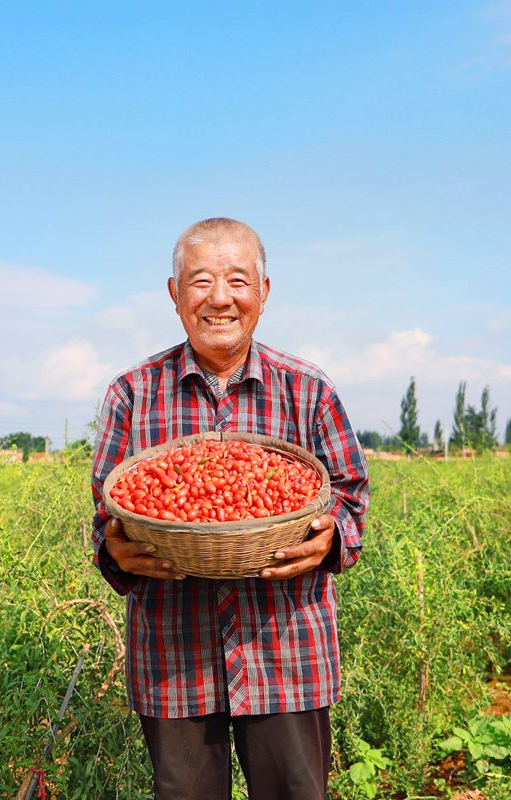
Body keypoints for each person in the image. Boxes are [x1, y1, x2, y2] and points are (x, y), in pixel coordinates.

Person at [92, 217, 369, 800]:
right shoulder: (132, 394)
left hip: (286, 654)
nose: (220, 298)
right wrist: (116, 551)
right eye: (200, 282)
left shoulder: (309, 389)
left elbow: (350, 496)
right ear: (175, 295)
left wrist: (331, 538)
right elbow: (107, 518)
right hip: (175, 659)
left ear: (264, 293)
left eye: (238, 280)